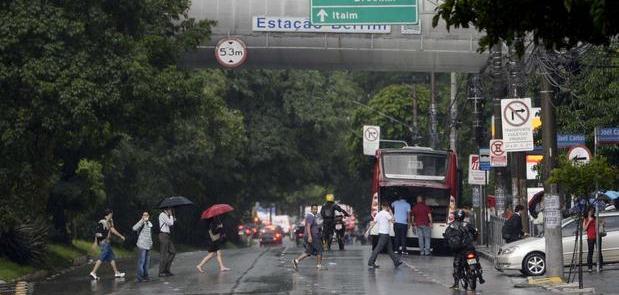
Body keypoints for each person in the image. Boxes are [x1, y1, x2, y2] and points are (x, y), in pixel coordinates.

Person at [446, 209, 484, 289]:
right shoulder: (467, 224)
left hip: (459, 250)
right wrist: (474, 238)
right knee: (475, 260)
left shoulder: (452, 226)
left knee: (456, 265)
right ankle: (480, 276)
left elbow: (446, 235)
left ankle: (456, 284)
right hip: (469, 248)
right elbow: (475, 232)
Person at [89, 209, 126, 280]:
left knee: (111, 257)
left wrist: (120, 235)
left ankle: (116, 272)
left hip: (107, 243)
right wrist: (96, 242)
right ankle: (93, 272)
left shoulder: (108, 222)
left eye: (112, 215)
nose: (111, 216)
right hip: (104, 243)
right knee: (102, 257)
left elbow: (112, 229)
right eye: (110, 215)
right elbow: (97, 232)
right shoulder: (102, 222)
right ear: (106, 215)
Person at [367, 202, 403, 269]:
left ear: (382, 206)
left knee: (389, 249)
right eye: (387, 207)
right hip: (385, 234)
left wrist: (368, 231)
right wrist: (391, 212)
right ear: (386, 207)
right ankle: (371, 261)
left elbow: (373, 223)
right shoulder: (386, 214)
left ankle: (396, 262)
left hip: (382, 233)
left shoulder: (378, 214)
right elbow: (393, 220)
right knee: (378, 248)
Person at [292, 204, 323, 270]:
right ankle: (318, 266)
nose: (315, 210)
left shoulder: (313, 216)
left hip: (313, 235)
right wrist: (309, 236)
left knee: (309, 252)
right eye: (314, 209)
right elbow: (308, 226)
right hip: (313, 236)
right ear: (311, 209)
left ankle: (296, 261)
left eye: (316, 209)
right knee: (319, 250)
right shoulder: (310, 216)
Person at [132, 211, 153, 282]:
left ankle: (146, 276)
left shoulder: (150, 224)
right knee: (141, 261)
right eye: (144, 215)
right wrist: (142, 220)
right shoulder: (141, 223)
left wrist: (151, 243)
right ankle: (139, 277)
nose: (146, 216)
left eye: (147, 215)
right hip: (142, 244)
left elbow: (149, 235)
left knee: (147, 262)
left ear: (149, 216)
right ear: (142, 216)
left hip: (148, 245)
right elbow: (134, 228)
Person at [583, 207, 604, 272]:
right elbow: (584, 229)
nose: (592, 212)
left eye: (593, 211)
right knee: (590, 252)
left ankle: (600, 266)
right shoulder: (585, 219)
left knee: (599, 251)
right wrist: (589, 221)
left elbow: (601, 223)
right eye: (590, 211)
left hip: (597, 237)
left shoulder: (596, 218)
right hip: (590, 237)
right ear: (588, 211)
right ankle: (590, 267)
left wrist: (602, 224)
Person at [158, 207, 176, 277]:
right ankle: (161, 272)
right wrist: (171, 216)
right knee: (163, 254)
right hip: (163, 235)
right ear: (166, 210)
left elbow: (170, 223)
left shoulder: (166, 216)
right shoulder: (162, 215)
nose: (170, 211)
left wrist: (172, 218)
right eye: (170, 210)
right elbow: (170, 223)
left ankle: (166, 270)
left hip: (167, 235)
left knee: (173, 252)